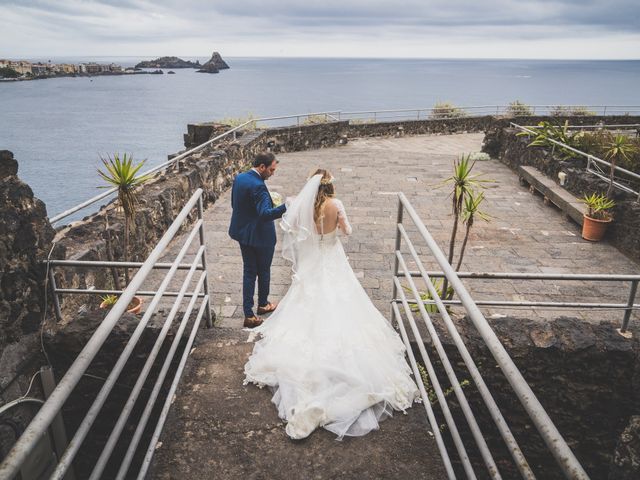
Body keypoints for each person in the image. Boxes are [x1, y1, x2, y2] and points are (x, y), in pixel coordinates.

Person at [244, 168, 419, 440]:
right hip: (333, 258)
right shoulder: (336, 205)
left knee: (307, 300)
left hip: (314, 261)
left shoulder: (307, 208)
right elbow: (346, 231)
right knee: (342, 300)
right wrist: (342, 224)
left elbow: (297, 230)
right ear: (331, 187)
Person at [229, 152, 287, 328]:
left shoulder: (240, 178)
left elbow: (235, 204)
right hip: (261, 237)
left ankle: (249, 313)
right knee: (263, 271)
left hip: (242, 233)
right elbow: (265, 215)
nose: (272, 173)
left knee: (249, 272)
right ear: (262, 167)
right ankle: (262, 305)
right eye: (271, 169)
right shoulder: (259, 187)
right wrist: (287, 206)